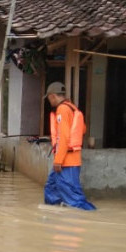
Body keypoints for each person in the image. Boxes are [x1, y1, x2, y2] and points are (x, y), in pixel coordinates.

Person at [43, 81, 96, 210]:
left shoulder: (62, 110)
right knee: (51, 188)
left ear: (53, 96)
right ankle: (53, 214)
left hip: (67, 161)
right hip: (68, 159)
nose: (49, 101)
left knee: (74, 198)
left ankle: (92, 215)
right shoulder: (73, 108)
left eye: (49, 98)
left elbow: (63, 137)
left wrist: (58, 160)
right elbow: (82, 129)